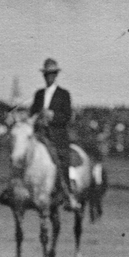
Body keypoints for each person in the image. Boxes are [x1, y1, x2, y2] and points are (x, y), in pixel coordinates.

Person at [29, 58, 78, 210]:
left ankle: (68, 194)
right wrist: (37, 116)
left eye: (51, 74)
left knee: (62, 160)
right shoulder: (38, 94)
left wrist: (52, 115)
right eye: (46, 74)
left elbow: (67, 116)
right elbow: (32, 113)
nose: (48, 77)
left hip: (56, 136)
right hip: (40, 135)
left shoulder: (63, 94)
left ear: (55, 75)